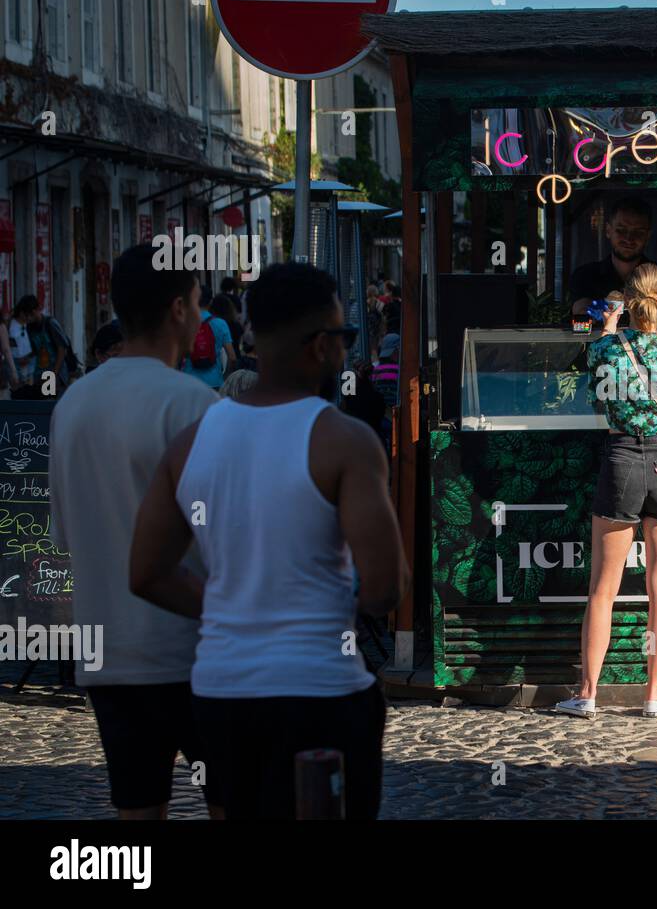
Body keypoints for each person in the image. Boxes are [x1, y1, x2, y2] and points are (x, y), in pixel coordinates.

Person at [129, 262, 409, 820]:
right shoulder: (345, 441)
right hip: (321, 688)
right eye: (343, 338)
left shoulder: (192, 441)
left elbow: (146, 573)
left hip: (222, 691)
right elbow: (384, 584)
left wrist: (230, 604)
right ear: (320, 347)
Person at [48, 242, 221, 819]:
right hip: (194, 651)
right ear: (178, 309)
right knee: (234, 802)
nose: (200, 313)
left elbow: (66, 536)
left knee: (137, 814)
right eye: (197, 299)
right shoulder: (195, 404)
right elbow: (225, 538)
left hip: (111, 652)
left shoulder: (72, 404)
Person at [555, 263, 657, 720]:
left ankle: (587, 694)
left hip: (620, 460)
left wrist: (608, 328)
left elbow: (594, 400)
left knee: (602, 591)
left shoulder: (604, 350)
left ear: (628, 301)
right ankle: (653, 697)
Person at [568, 197, 657, 326]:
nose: (628, 238)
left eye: (638, 232)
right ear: (608, 230)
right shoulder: (585, 275)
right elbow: (581, 314)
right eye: (621, 230)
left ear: (648, 236)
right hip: (601, 345)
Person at [12, 295, 77, 391]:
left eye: (26, 316)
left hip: (55, 374)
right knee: (42, 403)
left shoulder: (50, 323)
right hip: (40, 374)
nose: (26, 319)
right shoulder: (30, 328)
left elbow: (61, 348)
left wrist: (54, 373)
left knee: (51, 402)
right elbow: (34, 349)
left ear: (33, 312)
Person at [181, 286, 236, 390]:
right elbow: (232, 357)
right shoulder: (221, 323)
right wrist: (225, 376)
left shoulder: (185, 323)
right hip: (215, 381)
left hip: (190, 381)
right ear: (211, 302)